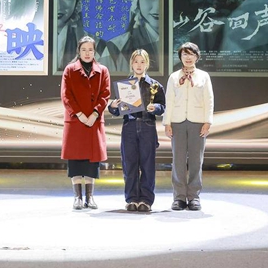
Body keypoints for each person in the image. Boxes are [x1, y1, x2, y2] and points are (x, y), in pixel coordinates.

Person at [108, 49, 165, 212]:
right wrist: (113, 106)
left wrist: (156, 108)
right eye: (136, 62)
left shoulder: (155, 86)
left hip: (147, 126)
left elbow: (163, 107)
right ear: (131, 64)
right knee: (129, 164)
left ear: (147, 64)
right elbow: (118, 110)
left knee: (148, 165)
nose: (139, 65)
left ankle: (146, 200)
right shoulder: (125, 86)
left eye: (142, 62)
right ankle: (132, 198)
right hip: (129, 127)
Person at [61, 35, 111, 210]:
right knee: (75, 161)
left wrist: (95, 113)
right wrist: (80, 114)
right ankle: (77, 197)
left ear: (95, 51)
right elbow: (66, 96)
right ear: (79, 51)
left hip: (93, 121)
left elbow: (105, 94)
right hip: (76, 121)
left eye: (90, 49)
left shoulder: (103, 70)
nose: (87, 53)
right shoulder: (69, 70)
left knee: (91, 161)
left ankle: (90, 197)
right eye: (84, 50)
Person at [163, 42, 214, 211]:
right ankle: (178, 197)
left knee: (196, 161)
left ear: (197, 57)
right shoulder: (174, 77)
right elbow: (169, 101)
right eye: (185, 54)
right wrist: (167, 123)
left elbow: (209, 100)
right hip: (177, 122)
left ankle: (194, 197)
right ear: (180, 57)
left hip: (198, 122)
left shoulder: (204, 76)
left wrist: (207, 122)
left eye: (191, 54)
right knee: (178, 161)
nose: (188, 57)